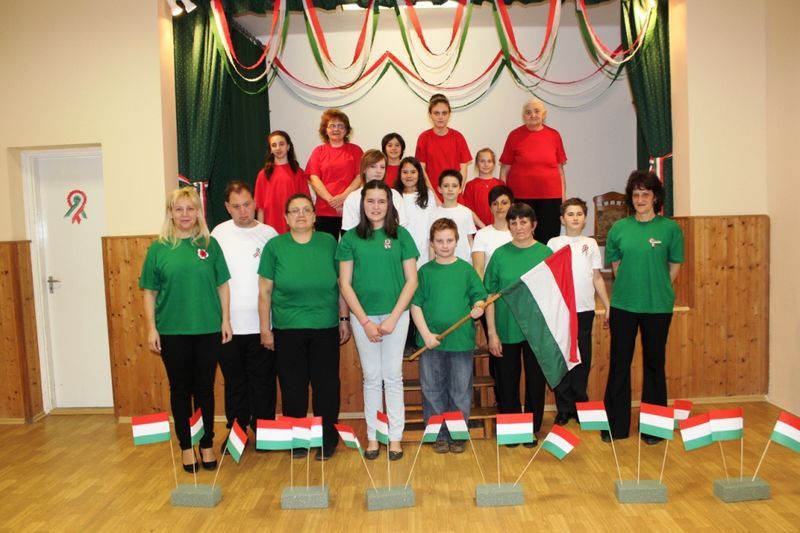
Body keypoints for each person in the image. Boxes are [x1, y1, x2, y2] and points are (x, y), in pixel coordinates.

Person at [140, 187, 232, 472]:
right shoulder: (158, 249)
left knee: (204, 390)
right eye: (178, 209)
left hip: (207, 329)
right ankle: (186, 447)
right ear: (170, 213)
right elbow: (149, 292)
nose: (184, 214)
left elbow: (222, 285)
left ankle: (206, 444)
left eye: (190, 209)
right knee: (180, 390)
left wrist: (225, 320)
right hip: (172, 331)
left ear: (198, 213)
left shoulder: (210, 244)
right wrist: (151, 328)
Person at [258, 193, 351, 460]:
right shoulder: (275, 246)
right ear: (286, 218)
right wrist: (265, 329)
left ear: (314, 216)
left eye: (306, 210)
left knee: (327, 387)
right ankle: (298, 439)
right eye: (295, 211)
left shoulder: (329, 242)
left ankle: (327, 440)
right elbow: (264, 291)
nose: (301, 215)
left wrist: (344, 319)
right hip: (288, 329)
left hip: (325, 326)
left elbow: (341, 284)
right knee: (292, 387)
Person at [337, 181, 419, 460]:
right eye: (370, 201)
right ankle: (374, 437)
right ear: (362, 204)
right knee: (371, 377)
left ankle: (395, 438)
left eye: (381, 201)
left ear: (389, 205)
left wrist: (394, 317)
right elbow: (345, 284)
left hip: (397, 315)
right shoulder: (350, 238)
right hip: (364, 318)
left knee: (392, 376)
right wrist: (365, 322)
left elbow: (412, 280)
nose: (375, 206)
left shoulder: (401, 235)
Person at [602, 171, 684, 444]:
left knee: (654, 365)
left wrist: (656, 287)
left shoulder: (670, 229)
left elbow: (674, 267)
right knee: (619, 364)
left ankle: (654, 429)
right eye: (636, 195)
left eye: (645, 194)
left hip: (658, 307)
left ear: (655, 197)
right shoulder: (619, 229)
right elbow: (616, 266)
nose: (640, 199)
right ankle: (616, 427)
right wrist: (632, 287)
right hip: (624, 306)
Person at [211, 181, 279, 451]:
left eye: (247, 204)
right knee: (235, 383)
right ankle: (237, 433)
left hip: (262, 324)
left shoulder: (269, 234)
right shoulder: (218, 234)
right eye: (236, 206)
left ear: (254, 203)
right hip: (228, 325)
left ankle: (265, 433)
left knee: (264, 382)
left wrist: (269, 325)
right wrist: (221, 319)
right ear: (227, 208)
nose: (243, 211)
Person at [411, 218, 486, 454]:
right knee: (432, 390)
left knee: (460, 390)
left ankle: (457, 434)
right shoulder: (424, 272)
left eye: (449, 240)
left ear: (456, 241)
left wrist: (479, 307)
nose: (445, 245)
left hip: (461, 342)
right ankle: (438, 435)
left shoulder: (466, 270)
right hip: (431, 342)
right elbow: (415, 305)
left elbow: (479, 298)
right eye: (440, 241)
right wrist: (425, 334)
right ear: (432, 243)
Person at [484, 202, 551, 446]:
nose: (518, 227)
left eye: (523, 222)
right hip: (506, 328)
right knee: (506, 381)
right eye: (513, 222)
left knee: (535, 382)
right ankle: (513, 428)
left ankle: (531, 428)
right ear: (509, 226)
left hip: (537, 331)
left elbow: (555, 295)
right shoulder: (500, 255)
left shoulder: (545, 254)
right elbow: (489, 296)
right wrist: (492, 333)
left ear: (534, 225)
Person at [546, 197, 611, 426]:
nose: (575, 218)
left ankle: (580, 405)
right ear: (562, 219)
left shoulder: (590, 244)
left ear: (585, 218)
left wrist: (607, 305)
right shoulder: (554, 243)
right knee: (563, 358)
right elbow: (547, 277)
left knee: (582, 357)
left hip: (584, 309)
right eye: (570, 214)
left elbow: (596, 277)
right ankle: (564, 408)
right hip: (561, 310)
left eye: (579, 214)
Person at [499, 98, 567, 245]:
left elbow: (560, 170)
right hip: (521, 198)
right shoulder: (514, 136)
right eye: (528, 112)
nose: (533, 115)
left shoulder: (554, 135)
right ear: (524, 116)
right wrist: (505, 199)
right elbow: (504, 170)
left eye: (537, 111)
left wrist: (563, 198)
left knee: (549, 238)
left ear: (544, 114)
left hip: (551, 198)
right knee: (522, 238)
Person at [306, 109, 364, 238]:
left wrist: (343, 197)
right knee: (326, 248)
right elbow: (314, 179)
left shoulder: (355, 150)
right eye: (332, 126)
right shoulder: (318, 151)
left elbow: (359, 177)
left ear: (346, 130)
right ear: (325, 130)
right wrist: (332, 201)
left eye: (340, 126)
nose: (336, 129)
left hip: (350, 209)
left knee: (350, 248)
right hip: (324, 211)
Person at [415, 93, 471, 202]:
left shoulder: (458, 137)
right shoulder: (424, 138)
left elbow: (463, 169)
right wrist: (434, 197)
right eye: (436, 113)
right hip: (432, 197)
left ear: (449, 114)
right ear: (430, 115)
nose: (440, 117)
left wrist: (455, 193)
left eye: (444, 113)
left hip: (455, 198)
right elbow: (421, 170)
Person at [254, 130, 310, 234]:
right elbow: (260, 208)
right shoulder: (263, 174)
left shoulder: (298, 172)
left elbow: (306, 204)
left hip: (293, 225)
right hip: (270, 225)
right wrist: (260, 231)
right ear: (270, 150)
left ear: (288, 146)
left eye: (281, 144)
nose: (278, 148)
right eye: (274, 145)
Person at [341, 149, 407, 232]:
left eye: (382, 167)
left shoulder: (394, 195)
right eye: (373, 166)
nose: (378, 171)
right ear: (364, 169)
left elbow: (401, 228)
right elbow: (349, 231)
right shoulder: (353, 198)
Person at [394, 156, 436, 267]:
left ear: (419, 174)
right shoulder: (394, 195)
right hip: (401, 247)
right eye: (405, 172)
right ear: (399, 174)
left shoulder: (428, 195)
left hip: (424, 248)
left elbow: (433, 224)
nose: (409, 176)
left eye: (413, 172)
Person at [431, 170, 477, 264]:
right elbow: (431, 243)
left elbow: (470, 240)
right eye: (446, 186)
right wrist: (432, 265)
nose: (450, 189)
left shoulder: (466, 212)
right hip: (441, 262)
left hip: (464, 261)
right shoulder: (434, 213)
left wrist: (474, 263)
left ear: (460, 189)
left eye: (454, 186)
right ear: (439, 189)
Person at [471, 185, 514, 280]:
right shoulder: (481, 234)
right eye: (495, 204)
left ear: (511, 206)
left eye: (504, 203)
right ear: (490, 208)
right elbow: (478, 270)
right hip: (489, 287)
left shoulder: (519, 234)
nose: (500, 207)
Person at [462, 148, 504, 228]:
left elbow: (504, 209)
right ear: (477, 163)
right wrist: (483, 228)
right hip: (479, 229)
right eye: (482, 161)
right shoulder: (470, 185)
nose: (486, 164)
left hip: (498, 228)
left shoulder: (500, 184)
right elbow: (469, 210)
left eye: (489, 161)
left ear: (494, 164)